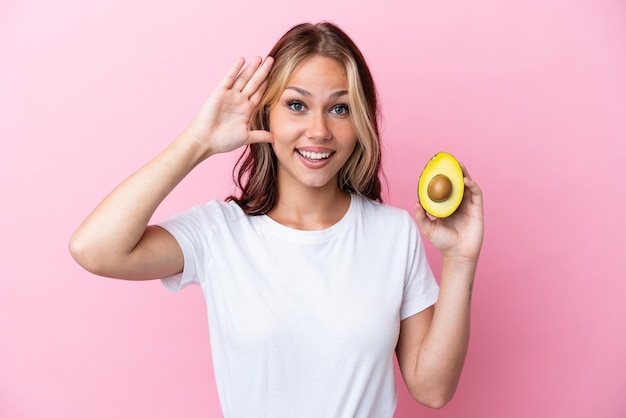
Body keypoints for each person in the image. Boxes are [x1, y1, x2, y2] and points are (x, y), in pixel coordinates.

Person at [69, 22, 484, 417]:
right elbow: (95, 249)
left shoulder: (393, 234)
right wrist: (197, 142)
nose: (318, 130)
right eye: (297, 105)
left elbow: (433, 390)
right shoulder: (219, 233)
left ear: (359, 122)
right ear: (266, 115)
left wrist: (461, 260)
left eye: (339, 108)